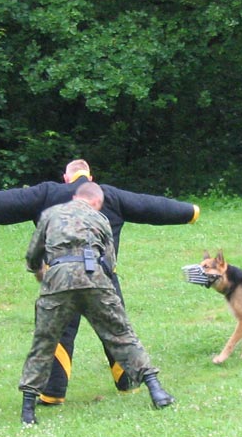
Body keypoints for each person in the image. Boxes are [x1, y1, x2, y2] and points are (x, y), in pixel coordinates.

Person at [0, 159, 199, 404]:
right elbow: (150, 206)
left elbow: (6, 203)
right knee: (117, 331)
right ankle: (129, 383)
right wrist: (190, 212)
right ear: (90, 180)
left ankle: (52, 393)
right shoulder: (108, 196)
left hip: (60, 279)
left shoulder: (48, 194)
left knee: (55, 333)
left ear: (66, 178)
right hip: (101, 279)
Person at [20, 181, 174, 424]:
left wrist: (39, 271)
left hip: (58, 281)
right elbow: (110, 261)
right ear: (95, 201)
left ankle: (28, 411)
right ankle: (157, 390)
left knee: (44, 341)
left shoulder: (49, 214)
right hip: (95, 280)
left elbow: (32, 256)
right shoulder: (100, 217)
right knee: (121, 335)